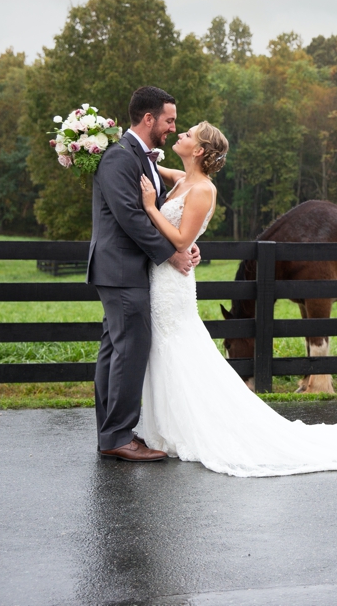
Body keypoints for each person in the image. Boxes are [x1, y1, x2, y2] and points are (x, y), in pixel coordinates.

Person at [134, 121, 337, 476]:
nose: (179, 134)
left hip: (173, 278)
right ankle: (171, 425)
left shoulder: (203, 190)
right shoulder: (182, 180)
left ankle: (196, 425)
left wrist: (151, 207)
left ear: (198, 150)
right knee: (171, 351)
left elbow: (181, 241)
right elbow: (158, 169)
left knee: (181, 349)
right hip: (164, 280)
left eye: (187, 134)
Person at [88, 86, 200, 462]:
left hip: (126, 268)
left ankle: (112, 433)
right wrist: (171, 255)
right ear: (148, 119)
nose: (173, 127)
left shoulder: (144, 157)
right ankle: (118, 437)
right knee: (129, 349)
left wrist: (185, 243)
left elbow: (165, 210)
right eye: (169, 120)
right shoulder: (120, 158)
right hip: (120, 267)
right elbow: (131, 217)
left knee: (115, 350)